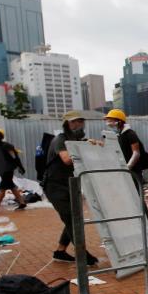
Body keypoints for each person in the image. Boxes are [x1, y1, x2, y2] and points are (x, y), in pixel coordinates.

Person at [41, 111, 99, 266]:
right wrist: (85, 150)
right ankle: (82, 254)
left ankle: (60, 251)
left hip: (69, 184)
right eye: (74, 122)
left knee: (74, 218)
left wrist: (90, 144)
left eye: (80, 121)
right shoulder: (60, 139)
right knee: (72, 220)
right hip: (55, 186)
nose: (78, 125)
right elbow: (66, 159)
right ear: (67, 123)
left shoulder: (76, 139)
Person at [104, 109, 148, 192]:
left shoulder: (130, 134)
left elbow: (136, 153)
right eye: (108, 121)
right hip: (126, 170)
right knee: (130, 195)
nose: (109, 124)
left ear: (119, 122)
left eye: (111, 121)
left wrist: (127, 167)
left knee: (136, 195)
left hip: (133, 171)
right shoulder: (120, 135)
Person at [0, 128, 27, 212]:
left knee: (2, 188)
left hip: (8, 169)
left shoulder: (6, 145)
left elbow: (14, 157)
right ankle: (22, 203)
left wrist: (20, 167)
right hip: (3, 169)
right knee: (12, 186)